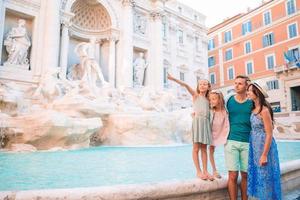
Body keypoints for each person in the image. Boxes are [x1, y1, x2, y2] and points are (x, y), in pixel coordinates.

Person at [167, 73, 213, 180]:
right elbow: (185, 85)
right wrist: (173, 78)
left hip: (206, 123)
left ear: (208, 87)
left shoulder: (210, 99)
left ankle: (206, 171)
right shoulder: (196, 96)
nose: (202, 86)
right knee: (196, 148)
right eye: (200, 84)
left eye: (205, 84)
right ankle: (198, 171)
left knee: (204, 149)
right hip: (197, 122)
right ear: (198, 86)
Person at [246, 83, 281, 200]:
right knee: (258, 175)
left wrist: (264, 154)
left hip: (264, 147)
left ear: (257, 93)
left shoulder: (264, 111)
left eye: (250, 91)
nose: (248, 93)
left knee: (265, 176)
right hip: (255, 146)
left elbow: (269, 133)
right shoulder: (253, 109)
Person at [224, 75, 252, 200]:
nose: (236, 85)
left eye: (240, 83)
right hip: (231, 141)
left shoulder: (252, 101)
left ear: (246, 86)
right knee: (233, 175)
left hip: (248, 142)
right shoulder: (228, 100)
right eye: (235, 83)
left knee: (245, 175)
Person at [209, 90, 229, 179]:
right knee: (211, 150)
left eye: (213, 99)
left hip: (223, 131)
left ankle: (229, 168)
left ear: (219, 100)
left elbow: (227, 123)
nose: (211, 101)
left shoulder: (225, 111)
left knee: (228, 149)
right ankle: (214, 170)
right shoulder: (210, 111)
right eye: (210, 99)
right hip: (212, 132)